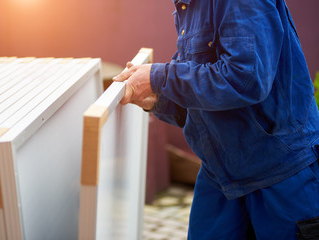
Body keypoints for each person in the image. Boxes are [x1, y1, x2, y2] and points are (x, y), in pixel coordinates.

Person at [113, 0, 319, 239]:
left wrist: (158, 78)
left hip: (279, 173)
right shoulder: (188, 5)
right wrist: (158, 98)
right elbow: (206, 90)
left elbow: (246, 79)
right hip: (221, 172)